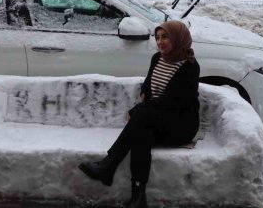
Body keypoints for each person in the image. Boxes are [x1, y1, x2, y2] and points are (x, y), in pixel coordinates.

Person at [79, 20, 200, 208]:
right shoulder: (157, 58)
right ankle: (138, 196)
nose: (160, 42)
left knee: (141, 117)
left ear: (178, 38)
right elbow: (149, 81)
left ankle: (109, 164)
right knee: (141, 134)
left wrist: (138, 110)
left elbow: (173, 101)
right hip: (156, 118)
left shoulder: (189, 66)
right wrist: (144, 91)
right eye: (158, 37)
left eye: (166, 37)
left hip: (180, 123)